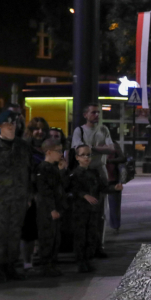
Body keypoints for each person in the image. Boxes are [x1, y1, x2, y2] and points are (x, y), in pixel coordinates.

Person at [0, 109, 34, 282]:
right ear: (1, 126)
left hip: (19, 198)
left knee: (15, 232)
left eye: (13, 124)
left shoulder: (23, 146)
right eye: (7, 125)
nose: (11, 128)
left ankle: (11, 266)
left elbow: (29, 172)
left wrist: (29, 195)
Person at [70, 104, 117, 256]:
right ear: (85, 114)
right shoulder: (80, 130)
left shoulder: (103, 129)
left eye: (98, 112)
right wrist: (99, 148)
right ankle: (85, 246)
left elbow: (111, 149)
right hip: (85, 172)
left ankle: (99, 245)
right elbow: (79, 148)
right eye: (93, 112)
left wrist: (92, 148)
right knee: (85, 210)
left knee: (101, 210)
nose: (96, 115)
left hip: (100, 170)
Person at [69, 144, 121, 272]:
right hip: (80, 210)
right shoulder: (75, 174)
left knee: (92, 235)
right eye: (83, 155)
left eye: (89, 155)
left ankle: (88, 260)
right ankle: (81, 262)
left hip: (93, 210)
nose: (86, 157)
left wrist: (114, 188)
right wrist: (84, 195)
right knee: (81, 236)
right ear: (77, 157)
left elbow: (102, 187)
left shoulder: (94, 172)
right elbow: (71, 189)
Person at [20, 117, 50, 273]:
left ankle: (46, 261)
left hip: (47, 196)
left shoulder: (50, 148)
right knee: (29, 231)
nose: (40, 132)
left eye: (42, 129)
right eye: (36, 129)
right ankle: (27, 262)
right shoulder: (25, 149)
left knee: (46, 230)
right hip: (31, 196)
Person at [35, 140, 68, 278]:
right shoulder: (43, 168)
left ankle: (52, 264)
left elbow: (61, 187)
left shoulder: (54, 168)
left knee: (55, 238)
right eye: (58, 151)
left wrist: (61, 171)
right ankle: (46, 265)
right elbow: (45, 191)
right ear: (49, 152)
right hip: (47, 210)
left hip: (56, 207)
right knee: (48, 237)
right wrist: (52, 209)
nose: (61, 154)